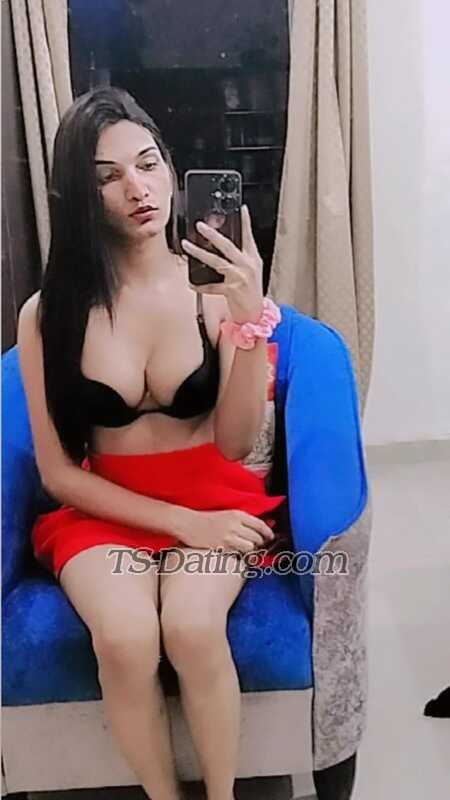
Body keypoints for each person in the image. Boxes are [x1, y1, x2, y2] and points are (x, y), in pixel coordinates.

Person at [17, 87, 286, 800]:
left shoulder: (210, 293)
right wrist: (180, 524)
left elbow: (236, 443)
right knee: (125, 639)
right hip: (104, 507)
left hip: (213, 493)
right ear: (80, 196)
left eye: (147, 163)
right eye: (108, 177)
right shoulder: (47, 314)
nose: (137, 189)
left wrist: (248, 323)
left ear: (170, 169)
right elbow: (57, 472)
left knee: (193, 628)